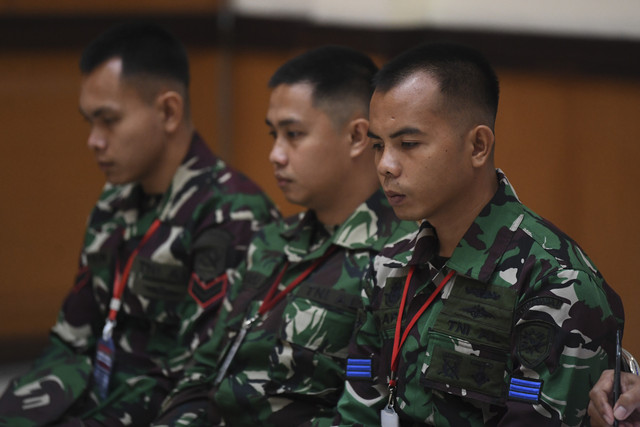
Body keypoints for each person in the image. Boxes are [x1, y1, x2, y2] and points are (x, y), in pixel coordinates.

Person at [0, 21, 277, 426]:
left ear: (168, 111)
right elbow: (71, 337)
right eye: (89, 122)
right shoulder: (117, 198)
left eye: (108, 120)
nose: (94, 140)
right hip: (92, 398)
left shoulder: (232, 213)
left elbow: (200, 380)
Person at [334, 41, 625, 426]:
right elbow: (357, 411)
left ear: (478, 145)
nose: (386, 165)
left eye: (407, 144)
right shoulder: (390, 266)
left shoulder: (557, 285)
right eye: (378, 146)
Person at [152, 45, 418, 426]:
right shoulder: (271, 240)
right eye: (273, 134)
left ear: (358, 136)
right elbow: (202, 370)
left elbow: (367, 412)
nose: (275, 154)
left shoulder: (397, 257)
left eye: (293, 135)